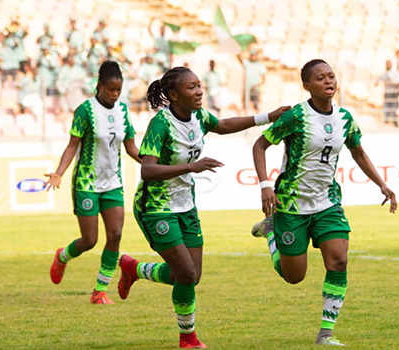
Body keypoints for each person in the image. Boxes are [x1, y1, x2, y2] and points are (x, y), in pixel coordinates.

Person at [115, 66, 290, 349]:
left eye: (199, 86)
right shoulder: (161, 124)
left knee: (190, 276)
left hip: (186, 206)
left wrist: (266, 117)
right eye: (191, 88)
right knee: (185, 274)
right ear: (173, 95)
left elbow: (221, 126)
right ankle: (188, 339)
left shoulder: (198, 116)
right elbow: (147, 170)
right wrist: (191, 167)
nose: (199, 92)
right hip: (156, 207)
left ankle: (134, 269)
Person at [250, 59, 397, 346]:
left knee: (339, 260)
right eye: (320, 78)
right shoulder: (295, 117)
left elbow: (359, 152)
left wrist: (382, 184)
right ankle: (271, 232)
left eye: (331, 76)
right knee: (294, 277)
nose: (328, 81)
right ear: (306, 86)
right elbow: (260, 145)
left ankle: (325, 333)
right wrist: (266, 185)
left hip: (327, 202)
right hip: (292, 204)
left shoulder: (345, 117)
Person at [45, 61, 141, 305]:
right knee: (89, 241)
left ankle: (100, 290)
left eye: (118, 90)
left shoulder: (123, 111)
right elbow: (72, 145)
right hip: (86, 183)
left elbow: (131, 148)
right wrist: (59, 172)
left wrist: (155, 164)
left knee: (116, 234)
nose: (115, 94)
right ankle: (63, 256)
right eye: (110, 89)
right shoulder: (85, 110)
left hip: (113, 182)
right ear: (99, 86)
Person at [375, 52, 399, 127]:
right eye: (387, 64)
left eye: (389, 64)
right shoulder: (384, 74)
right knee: (386, 109)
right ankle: (386, 122)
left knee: (394, 108)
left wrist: (393, 83)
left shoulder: (395, 73)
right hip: (388, 93)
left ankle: (395, 122)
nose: (388, 65)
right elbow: (377, 80)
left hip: (394, 93)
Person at [237, 49, 266, 114]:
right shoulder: (247, 63)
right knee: (246, 105)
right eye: (251, 55)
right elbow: (240, 59)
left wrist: (257, 85)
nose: (252, 57)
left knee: (256, 105)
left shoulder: (260, 65)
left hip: (256, 88)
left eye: (254, 55)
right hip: (247, 88)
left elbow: (263, 78)